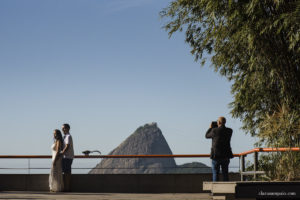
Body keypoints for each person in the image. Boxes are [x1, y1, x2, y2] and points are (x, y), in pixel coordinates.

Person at [205, 117, 233, 181]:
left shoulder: (214, 130)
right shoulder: (230, 131)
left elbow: (206, 136)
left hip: (216, 155)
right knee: (225, 173)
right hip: (226, 155)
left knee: (215, 173)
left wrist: (210, 127)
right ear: (225, 122)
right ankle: (226, 190)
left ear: (219, 122)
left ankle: (216, 190)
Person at [61, 123, 74, 192]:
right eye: (62, 128)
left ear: (68, 128)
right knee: (66, 173)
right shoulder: (65, 136)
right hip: (66, 157)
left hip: (67, 157)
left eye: (64, 128)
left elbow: (67, 146)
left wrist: (61, 153)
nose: (62, 129)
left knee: (67, 173)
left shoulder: (68, 136)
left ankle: (67, 188)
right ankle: (67, 187)